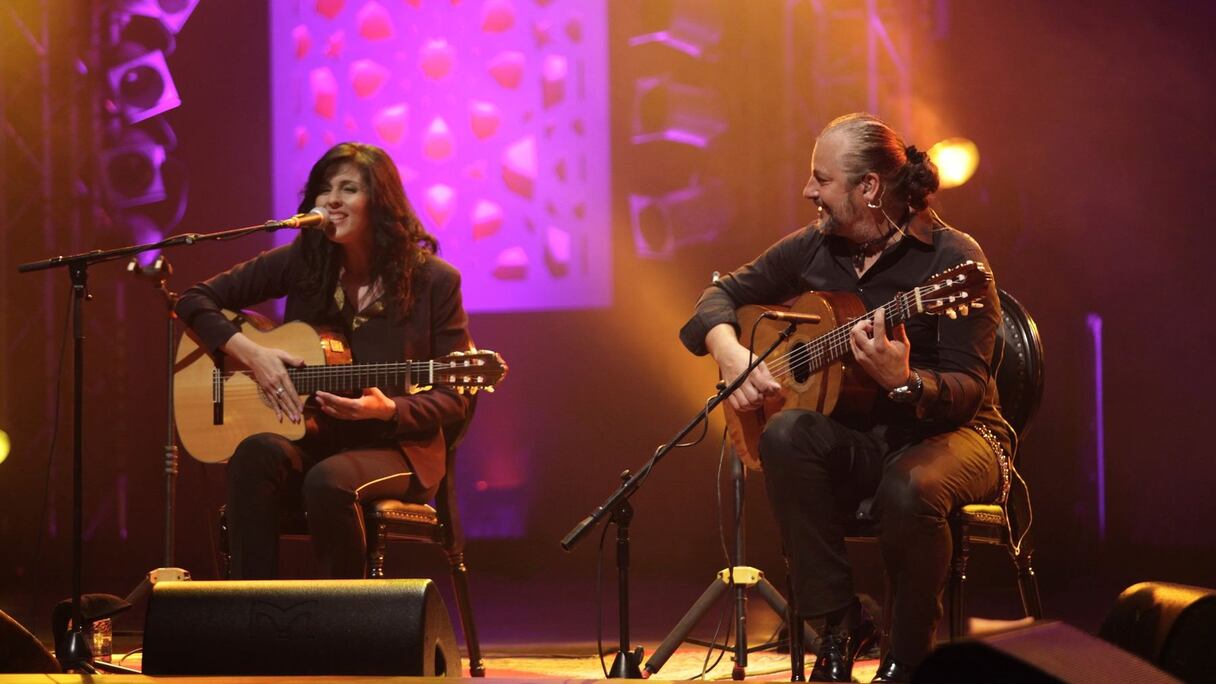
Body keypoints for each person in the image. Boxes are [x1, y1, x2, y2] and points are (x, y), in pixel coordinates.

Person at [679, 113, 1012, 682]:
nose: (808, 191)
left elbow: (967, 391)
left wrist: (904, 382)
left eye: (822, 179)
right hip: (867, 440)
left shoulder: (952, 260)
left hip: (959, 436)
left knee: (909, 487)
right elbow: (717, 297)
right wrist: (732, 354)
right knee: (785, 433)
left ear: (869, 188)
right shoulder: (816, 248)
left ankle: (907, 660)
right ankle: (836, 629)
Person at [176, 142, 472, 579]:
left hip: (397, 450)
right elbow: (193, 299)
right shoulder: (305, 260)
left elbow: (454, 398)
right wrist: (252, 355)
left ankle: (343, 616)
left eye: (348, 189)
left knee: (328, 481)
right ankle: (251, 609)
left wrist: (388, 409)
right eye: (324, 188)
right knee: (254, 454)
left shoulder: (434, 281)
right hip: (315, 437)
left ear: (380, 202)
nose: (331, 200)